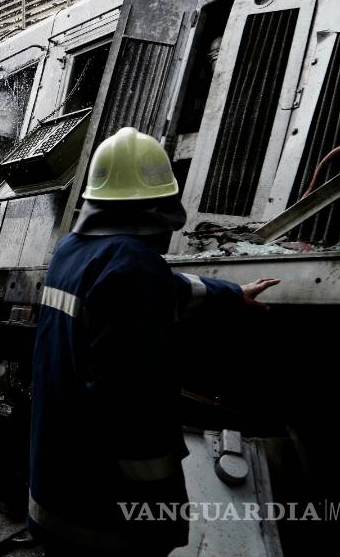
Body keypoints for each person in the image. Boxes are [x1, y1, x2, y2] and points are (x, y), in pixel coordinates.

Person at [28, 127, 279, 556]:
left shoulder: (71, 251)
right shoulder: (132, 266)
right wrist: (160, 506)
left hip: (55, 487)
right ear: (156, 204)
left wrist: (232, 294)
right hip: (103, 512)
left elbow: (163, 288)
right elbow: (132, 406)